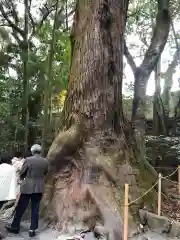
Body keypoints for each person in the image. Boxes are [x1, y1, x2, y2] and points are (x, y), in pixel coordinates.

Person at [5, 144, 48, 237]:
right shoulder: (45, 161)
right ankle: (32, 229)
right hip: (39, 187)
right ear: (40, 151)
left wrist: (22, 177)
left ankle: (15, 226)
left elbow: (22, 171)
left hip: (27, 186)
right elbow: (45, 172)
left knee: (21, 207)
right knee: (35, 209)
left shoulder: (28, 160)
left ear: (32, 151)